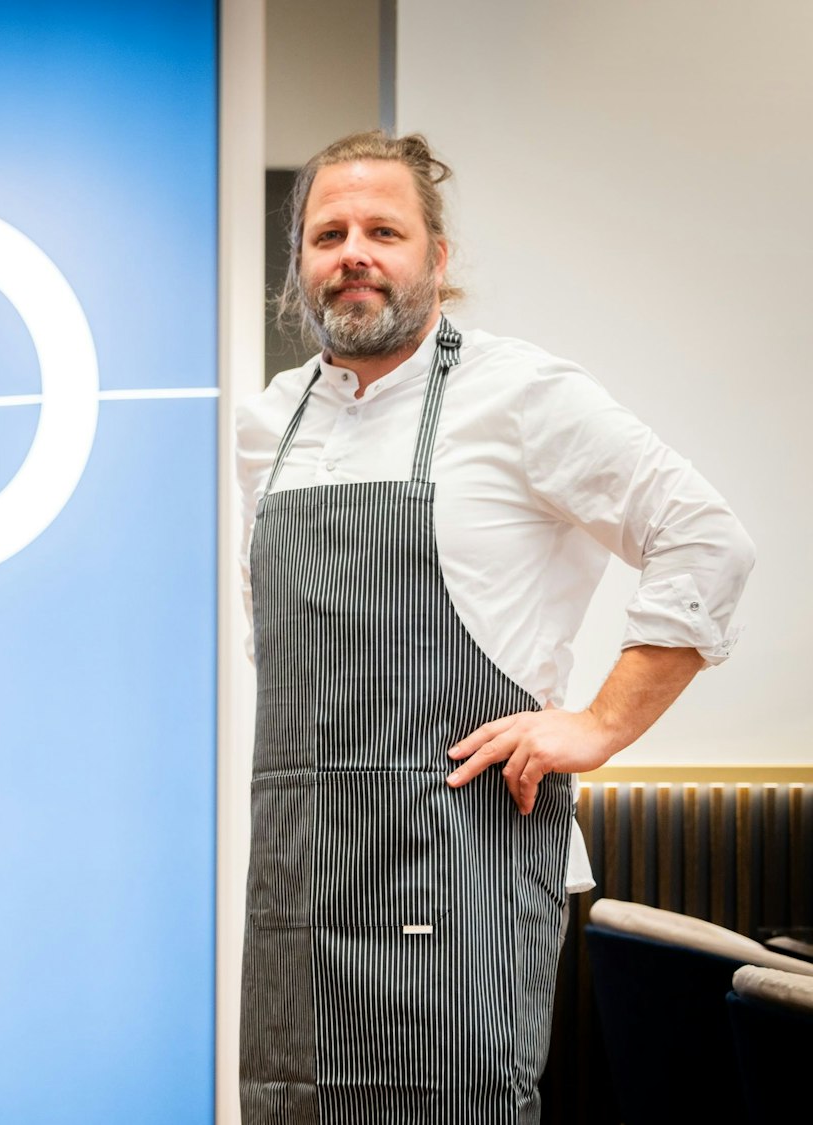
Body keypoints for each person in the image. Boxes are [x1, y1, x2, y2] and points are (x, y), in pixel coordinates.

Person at [235, 130, 753, 1122]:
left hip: (460, 866)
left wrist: (598, 724)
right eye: (327, 234)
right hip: (301, 881)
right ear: (298, 262)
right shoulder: (267, 426)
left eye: (383, 231)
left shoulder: (520, 395)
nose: (353, 253)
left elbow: (705, 538)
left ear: (437, 257)